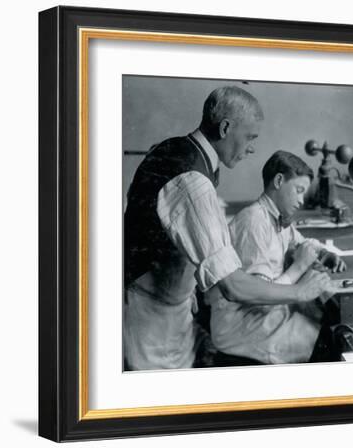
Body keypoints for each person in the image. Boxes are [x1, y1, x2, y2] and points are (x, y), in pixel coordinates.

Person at [123, 87, 331, 370]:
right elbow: (233, 286)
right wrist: (300, 292)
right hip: (154, 319)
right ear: (225, 127)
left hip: (173, 306)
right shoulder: (192, 180)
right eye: (250, 137)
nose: (252, 147)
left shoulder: (178, 151)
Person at [209, 150, 346, 365]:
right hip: (243, 326)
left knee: (326, 323)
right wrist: (299, 267)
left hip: (265, 314)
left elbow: (301, 241)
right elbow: (259, 299)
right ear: (279, 181)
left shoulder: (277, 218)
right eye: (298, 191)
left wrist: (324, 253)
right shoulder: (254, 221)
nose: (301, 200)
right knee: (327, 339)